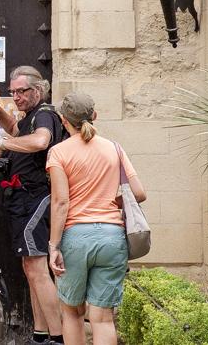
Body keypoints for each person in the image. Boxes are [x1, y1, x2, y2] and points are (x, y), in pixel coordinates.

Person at [47, 92, 147, 345]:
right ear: (94, 116)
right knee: (102, 318)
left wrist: (53, 247)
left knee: (72, 313)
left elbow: (60, 203)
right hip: (112, 237)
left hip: (76, 238)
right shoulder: (114, 148)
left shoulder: (58, 153)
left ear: (63, 120)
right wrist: (112, 203)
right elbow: (139, 193)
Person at [0, 65, 65, 344]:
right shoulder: (31, 117)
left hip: (36, 198)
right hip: (22, 200)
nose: (16, 97)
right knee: (32, 269)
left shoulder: (45, 115)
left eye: (22, 91)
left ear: (38, 90)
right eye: (13, 92)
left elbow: (40, 141)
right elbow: (15, 130)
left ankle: (58, 337)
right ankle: (40, 335)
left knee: (36, 268)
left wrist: (3, 145)